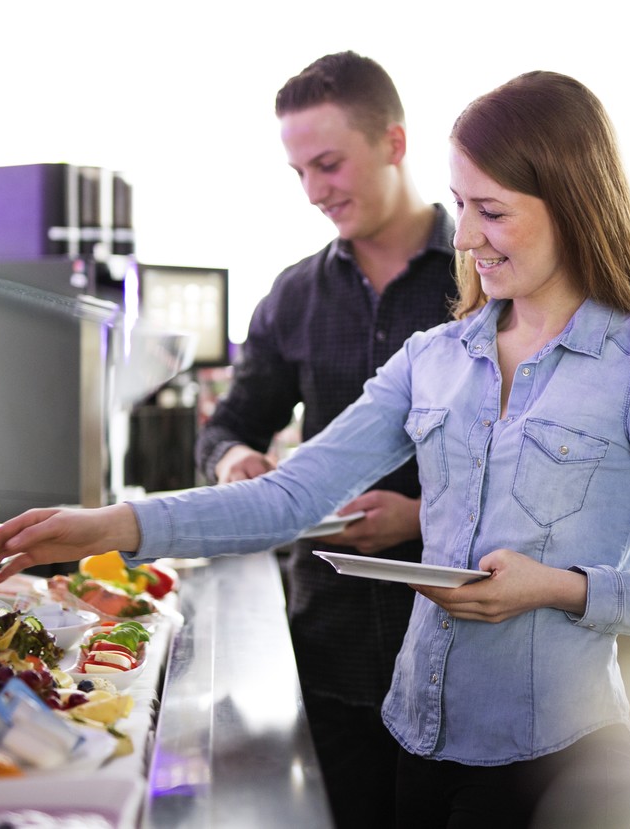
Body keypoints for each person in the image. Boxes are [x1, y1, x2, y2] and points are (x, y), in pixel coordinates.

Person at [0, 70, 630, 829]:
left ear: (575, 204)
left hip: (559, 768)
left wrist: (559, 588)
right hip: (414, 742)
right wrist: (108, 525)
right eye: (460, 204)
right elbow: (288, 497)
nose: (465, 237)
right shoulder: (433, 358)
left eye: (491, 210)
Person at [194, 51, 458, 828]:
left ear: (395, 143)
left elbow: (537, 468)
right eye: (299, 172)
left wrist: (420, 517)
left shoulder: (485, 279)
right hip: (330, 655)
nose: (314, 192)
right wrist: (236, 461)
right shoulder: (294, 295)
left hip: (463, 662)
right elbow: (228, 427)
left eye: (330, 164)